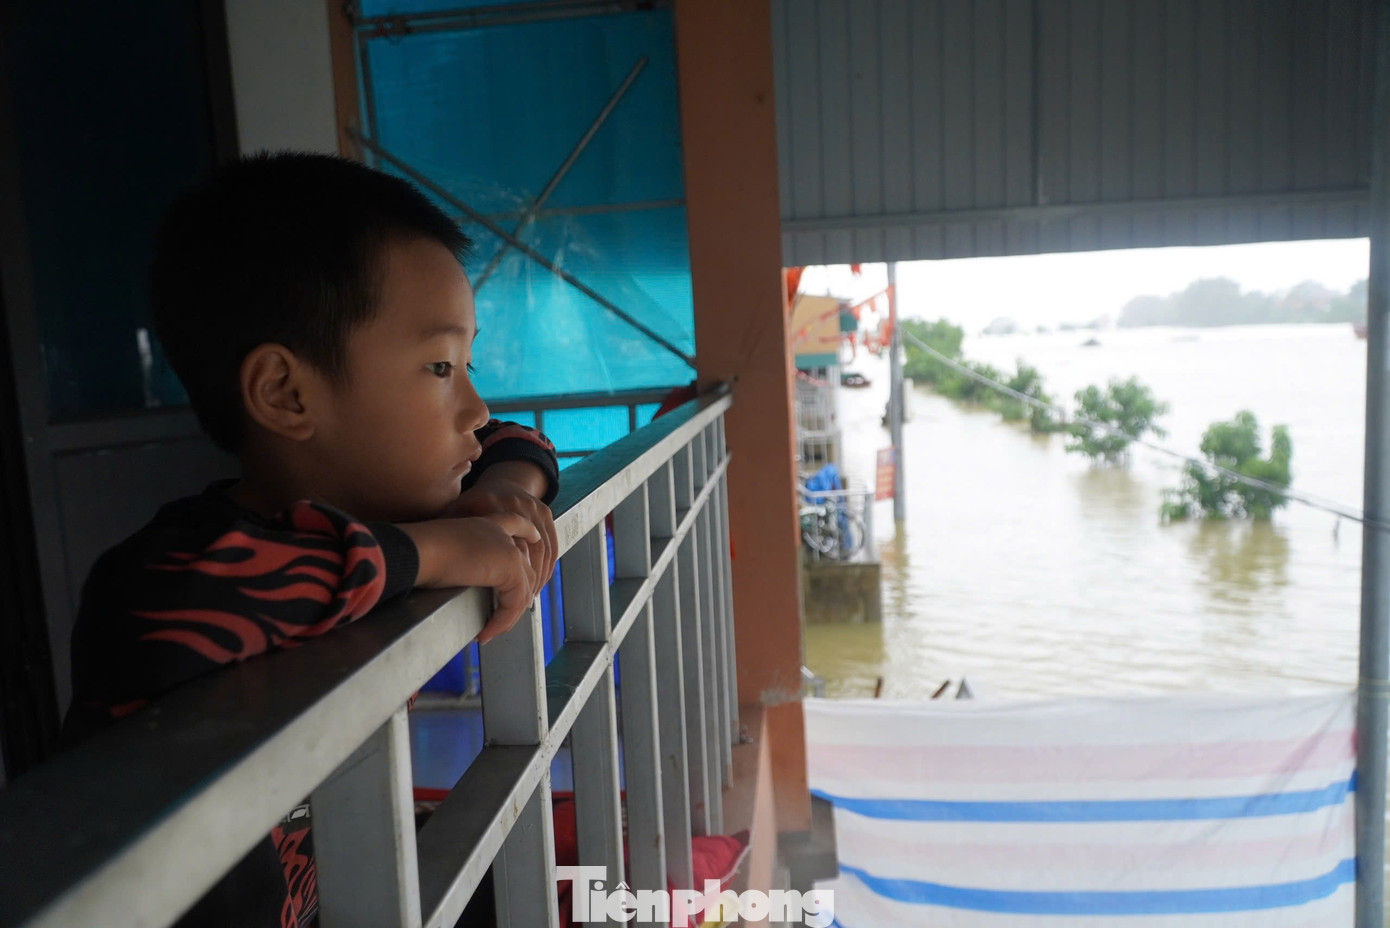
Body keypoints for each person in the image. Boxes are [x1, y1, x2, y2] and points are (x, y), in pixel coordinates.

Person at [61, 152, 561, 927]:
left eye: (466, 362)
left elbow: (513, 439)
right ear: (287, 394)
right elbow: (219, 591)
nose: (473, 405)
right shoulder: (175, 577)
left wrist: (505, 494)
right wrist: (438, 550)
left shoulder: (372, 519)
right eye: (439, 366)